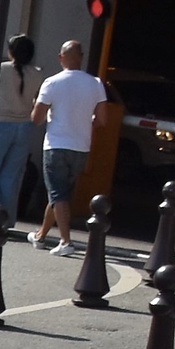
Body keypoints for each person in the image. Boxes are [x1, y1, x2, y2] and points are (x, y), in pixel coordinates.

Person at [29, 39, 108, 255]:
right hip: (81, 147)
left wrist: (37, 103)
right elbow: (102, 120)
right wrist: (85, 120)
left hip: (56, 144)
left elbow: (36, 118)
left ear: (61, 57)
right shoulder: (96, 83)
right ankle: (41, 235)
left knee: (58, 194)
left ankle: (66, 242)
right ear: (81, 56)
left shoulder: (52, 83)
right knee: (60, 194)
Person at [0, 33, 41, 224]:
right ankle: (5, 219)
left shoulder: (1, 69)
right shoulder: (37, 73)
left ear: (11, 51)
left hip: (1, 124)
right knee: (11, 175)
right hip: (25, 127)